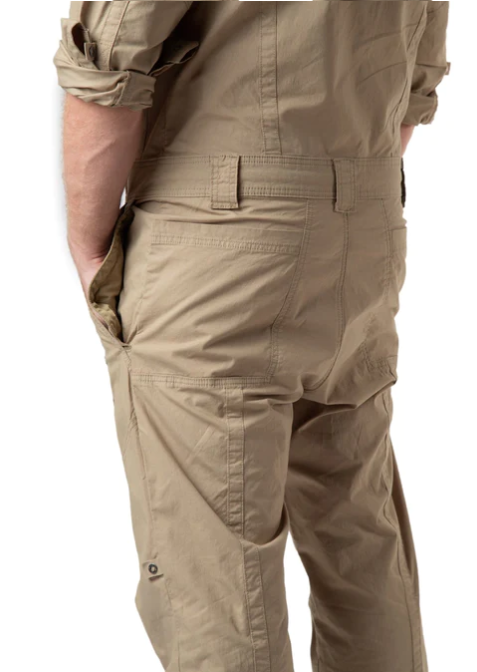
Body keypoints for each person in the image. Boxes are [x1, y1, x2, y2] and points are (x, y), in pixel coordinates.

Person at [53, 2, 450, 671]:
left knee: (216, 577)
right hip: (363, 229)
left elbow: (108, 59)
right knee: (357, 536)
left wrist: (90, 245)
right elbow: (412, 88)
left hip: (220, 248)